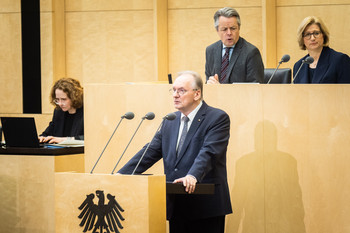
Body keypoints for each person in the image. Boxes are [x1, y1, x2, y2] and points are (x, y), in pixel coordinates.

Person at [118, 71, 232, 233]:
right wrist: (122, 175)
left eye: (181, 91)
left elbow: (209, 152)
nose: (175, 95)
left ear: (197, 94)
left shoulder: (217, 118)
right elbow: (150, 152)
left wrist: (193, 175)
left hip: (206, 204)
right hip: (177, 204)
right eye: (173, 90)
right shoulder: (170, 120)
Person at [205, 7, 264, 84]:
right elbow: (208, 82)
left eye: (233, 28)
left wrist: (221, 90)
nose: (229, 33)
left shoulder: (251, 52)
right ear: (217, 30)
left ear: (239, 28)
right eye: (224, 29)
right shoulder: (211, 50)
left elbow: (255, 88)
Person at [293, 16, 350, 83]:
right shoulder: (298, 66)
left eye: (316, 33)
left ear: (323, 35)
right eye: (308, 34)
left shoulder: (340, 60)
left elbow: (346, 92)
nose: (312, 38)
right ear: (302, 39)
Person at [39, 78, 84, 144]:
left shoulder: (86, 112)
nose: (60, 103)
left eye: (63, 99)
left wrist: (66, 140)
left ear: (74, 97)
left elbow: (89, 137)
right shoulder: (59, 111)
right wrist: (42, 137)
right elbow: (49, 131)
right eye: (57, 99)